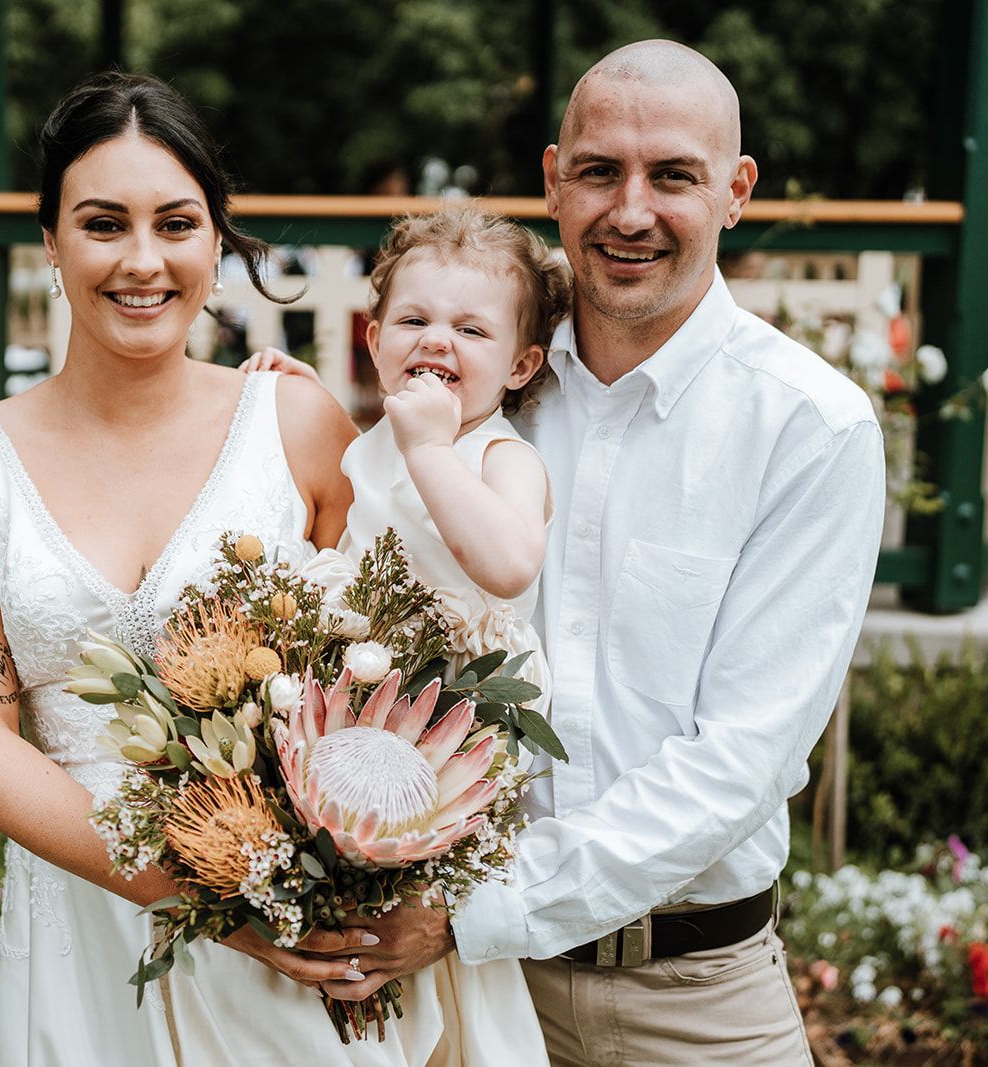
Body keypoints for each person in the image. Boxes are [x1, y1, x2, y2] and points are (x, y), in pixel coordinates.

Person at [0, 72, 498, 1066]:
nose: (143, 260)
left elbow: (391, 666)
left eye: (176, 223)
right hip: (86, 923)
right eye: (102, 224)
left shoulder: (295, 425)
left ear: (215, 241)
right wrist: (215, 901)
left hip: (294, 957)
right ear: (50, 243)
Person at [316, 40, 887, 1066]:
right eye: (597, 171)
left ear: (734, 190)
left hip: (694, 994)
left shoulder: (808, 427)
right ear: (552, 180)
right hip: (471, 992)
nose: (630, 210)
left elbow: (739, 759)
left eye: (672, 174)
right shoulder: (489, 378)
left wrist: (471, 907)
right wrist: (267, 391)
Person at [254, 202, 575, 1065]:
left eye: (471, 329)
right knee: (356, 920)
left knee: (436, 961)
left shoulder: (500, 455)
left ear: (520, 364)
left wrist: (434, 450)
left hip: (463, 737)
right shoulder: (380, 442)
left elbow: (508, 563)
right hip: (362, 721)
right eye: (414, 320)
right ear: (373, 339)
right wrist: (295, 393)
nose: (438, 341)